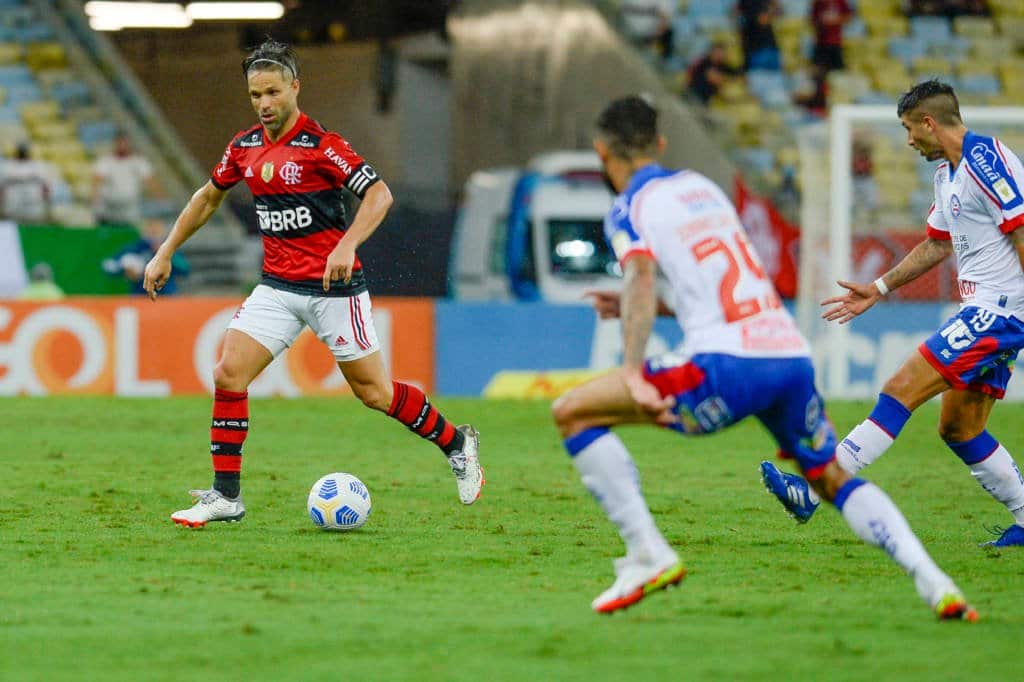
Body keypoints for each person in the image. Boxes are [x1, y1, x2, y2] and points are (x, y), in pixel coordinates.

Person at [551, 95, 977, 620]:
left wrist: (634, 373)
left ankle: (647, 552)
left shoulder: (628, 207)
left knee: (572, 412)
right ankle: (937, 584)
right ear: (660, 144)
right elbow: (722, 282)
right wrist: (643, 305)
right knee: (829, 480)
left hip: (724, 366)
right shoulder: (700, 189)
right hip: (788, 359)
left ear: (601, 151)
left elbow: (638, 273)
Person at [143, 39, 484, 528]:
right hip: (277, 288)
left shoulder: (323, 145)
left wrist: (346, 245)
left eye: (273, 92)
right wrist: (166, 250)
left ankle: (457, 443)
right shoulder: (243, 147)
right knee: (228, 374)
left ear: (295, 87)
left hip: (333, 292)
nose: (264, 104)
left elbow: (380, 196)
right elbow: (207, 198)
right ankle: (226, 497)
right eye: (255, 95)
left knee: (376, 394)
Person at [763, 80, 1024, 547]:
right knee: (960, 428)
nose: (908, 141)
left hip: (1000, 310)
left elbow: (1022, 232)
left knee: (900, 388)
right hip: (988, 310)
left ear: (929, 122)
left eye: (909, 129)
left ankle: (813, 488)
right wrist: (878, 288)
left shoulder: (986, 160)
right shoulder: (948, 173)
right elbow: (937, 244)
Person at [103, 219, 190, 295]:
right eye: (150, 230)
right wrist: (123, 269)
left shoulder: (169, 249)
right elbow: (108, 266)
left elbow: (185, 269)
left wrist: (166, 256)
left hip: (166, 297)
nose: (153, 234)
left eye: (156, 231)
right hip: (140, 296)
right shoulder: (135, 248)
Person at [92, 133, 158, 227]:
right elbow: (97, 180)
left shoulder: (138, 161)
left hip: (130, 207)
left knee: (129, 230)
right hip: (109, 206)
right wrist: (95, 199)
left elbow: (150, 181)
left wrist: (157, 199)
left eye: (125, 143)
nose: (122, 146)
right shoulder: (106, 161)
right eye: (120, 143)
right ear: (115, 144)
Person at [0, 143, 58, 224]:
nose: (23, 153)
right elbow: (2, 189)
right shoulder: (7, 167)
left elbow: (46, 187)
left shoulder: (38, 166)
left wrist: (47, 205)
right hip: (13, 207)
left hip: (34, 207)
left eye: (24, 151)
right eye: (21, 151)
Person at [736, 0, 781, 71]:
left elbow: (778, 12)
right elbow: (763, 20)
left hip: (770, 49)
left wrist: (774, 6)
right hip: (756, 51)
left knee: (775, 77)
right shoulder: (748, 5)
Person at [810, 0, 852, 73]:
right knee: (819, 71)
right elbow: (812, 20)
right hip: (821, 42)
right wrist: (820, 22)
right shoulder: (817, 3)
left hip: (835, 42)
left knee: (838, 71)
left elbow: (848, 16)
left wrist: (836, 20)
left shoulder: (840, 2)